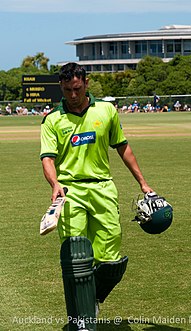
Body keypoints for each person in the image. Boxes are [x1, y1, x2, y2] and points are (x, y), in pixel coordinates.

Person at [40, 62, 154, 331]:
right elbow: (47, 157)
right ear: (61, 87)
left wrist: (143, 183)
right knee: (75, 257)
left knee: (111, 260)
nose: (73, 95)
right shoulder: (52, 119)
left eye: (77, 89)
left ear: (86, 84)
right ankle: (79, 321)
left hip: (103, 188)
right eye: (67, 90)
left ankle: (92, 299)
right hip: (69, 193)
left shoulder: (107, 110)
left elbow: (122, 147)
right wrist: (54, 183)